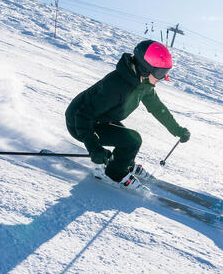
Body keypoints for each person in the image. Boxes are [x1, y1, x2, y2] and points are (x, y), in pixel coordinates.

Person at [66, 40, 191, 186]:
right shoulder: (116, 86)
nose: (162, 78)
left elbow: (157, 108)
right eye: (160, 73)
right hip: (78, 123)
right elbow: (83, 115)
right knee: (133, 140)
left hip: (100, 119)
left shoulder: (143, 84)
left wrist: (177, 129)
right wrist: (93, 147)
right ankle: (114, 174)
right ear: (145, 68)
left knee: (128, 138)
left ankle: (126, 164)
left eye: (166, 73)